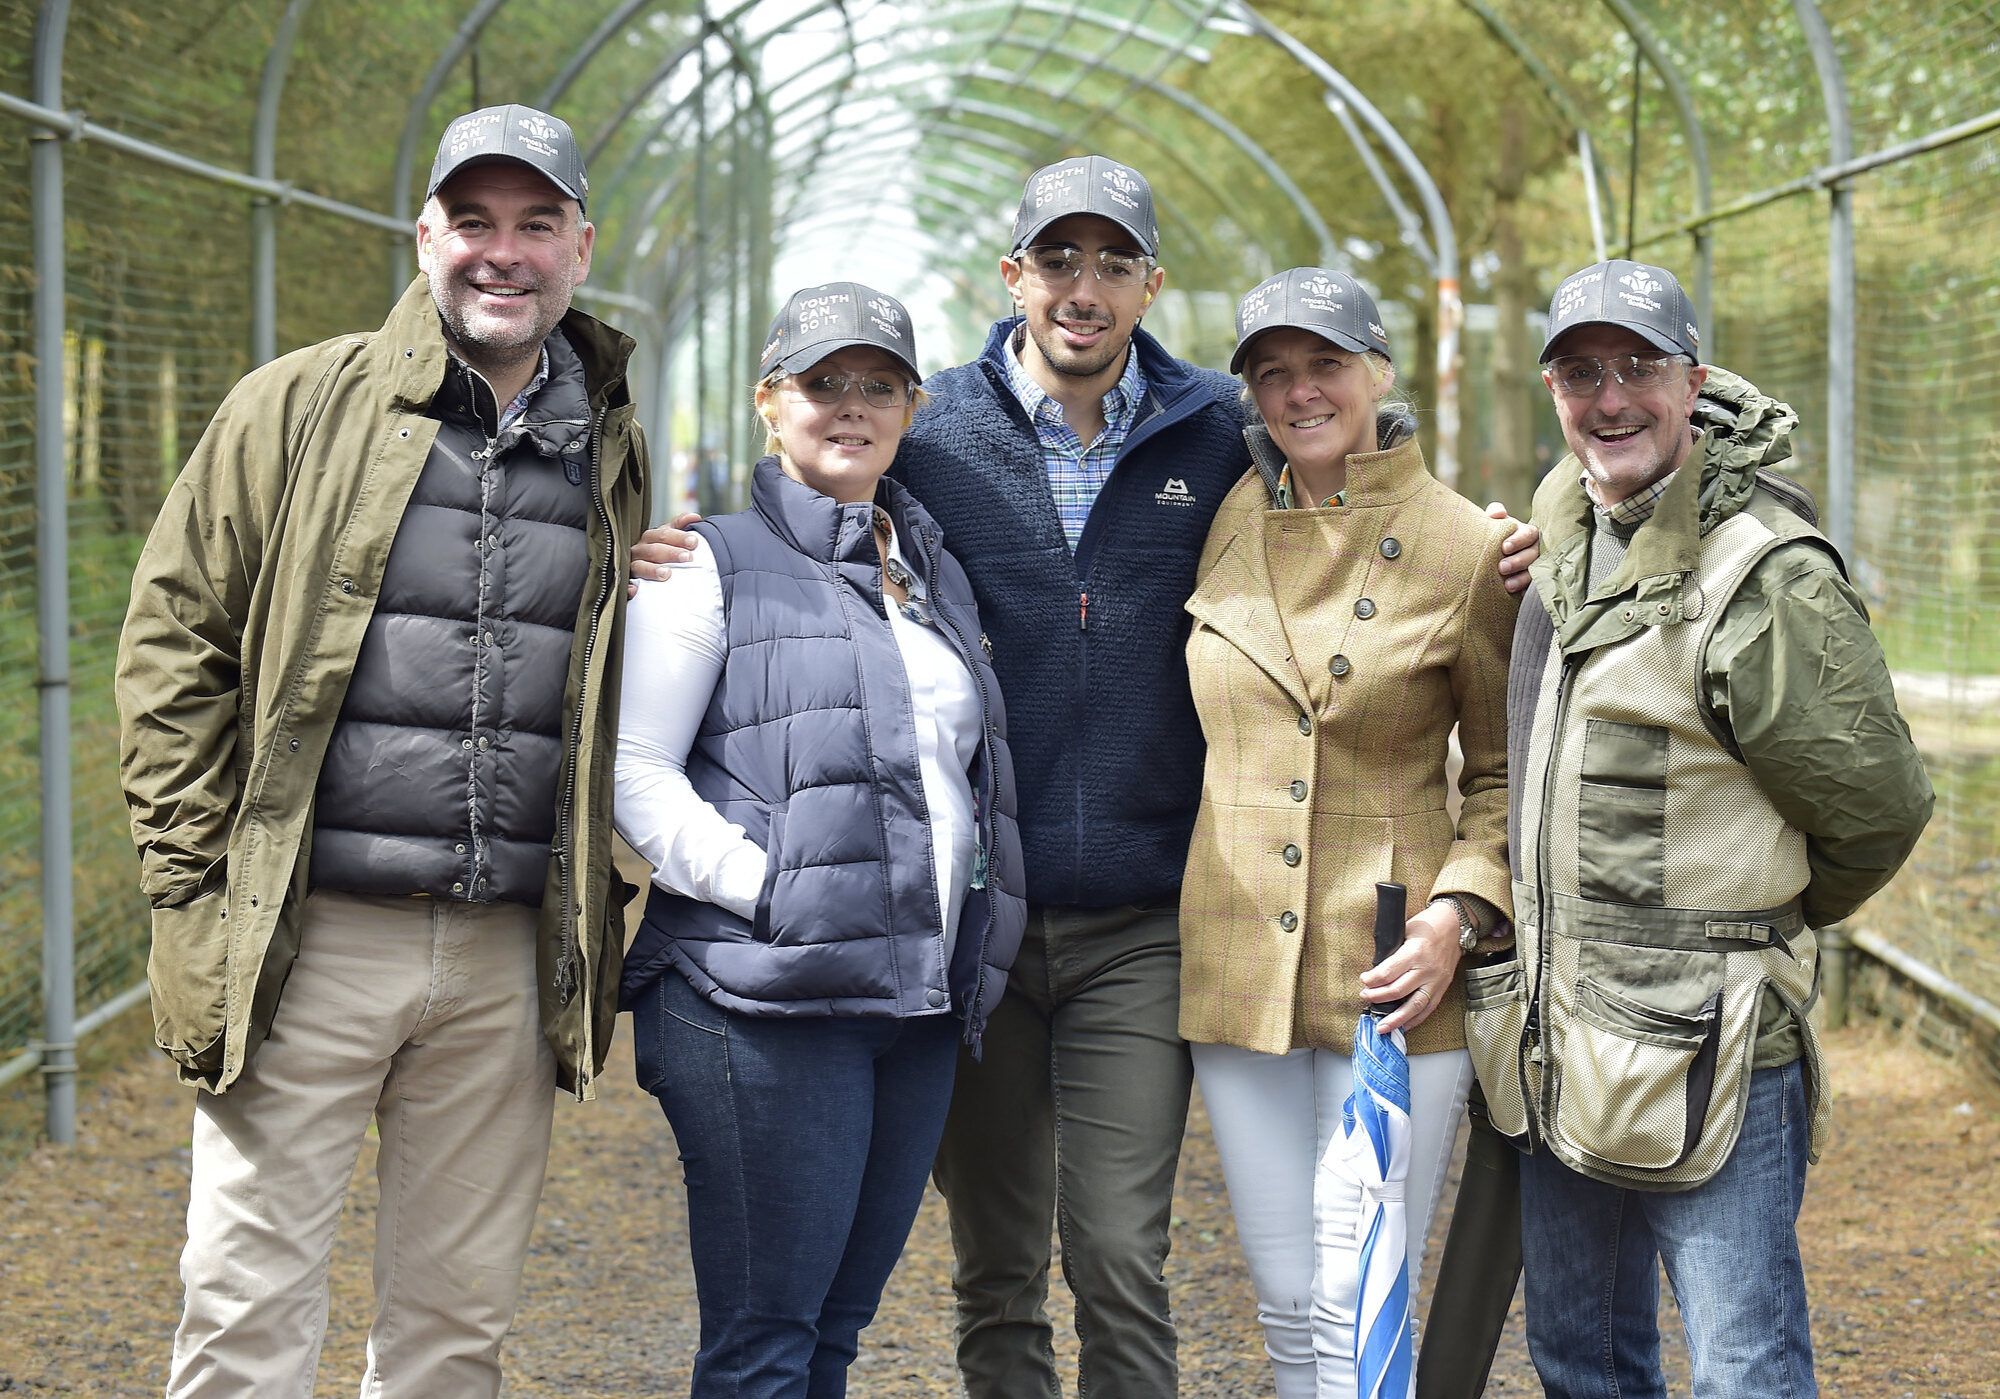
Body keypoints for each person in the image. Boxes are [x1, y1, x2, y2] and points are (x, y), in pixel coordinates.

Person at [633, 156, 1540, 1398]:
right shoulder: (927, 424)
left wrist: (1485, 535)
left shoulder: (1215, 437)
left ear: (1150, 285)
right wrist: (679, 545)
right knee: (995, 1259)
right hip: (979, 926)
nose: (1083, 286)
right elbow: (823, 503)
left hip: (1145, 916)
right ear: (1013, 277)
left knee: (1119, 1248)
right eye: (1057, 259)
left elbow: (1339, 501)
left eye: (1114, 262)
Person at [114, 105, 648, 1397]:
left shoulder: (613, 446)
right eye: (474, 222)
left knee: (455, 1331)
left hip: (503, 960)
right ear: (425, 236)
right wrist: (196, 891)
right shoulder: (297, 404)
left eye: (534, 225)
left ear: (582, 244)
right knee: (244, 1308)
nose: (501, 254)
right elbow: (176, 638)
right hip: (310, 939)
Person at [1467, 259, 1933, 1398]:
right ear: (1550, 389)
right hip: (1559, 1037)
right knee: (1578, 1355)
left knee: (1744, 1365)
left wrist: (1754, 916)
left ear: (1694, 382)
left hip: (1716, 1050)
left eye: (1638, 367)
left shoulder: (1763, 576)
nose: (1609, 398)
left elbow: (1875, 808)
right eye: (1580, 373)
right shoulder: (1561, 517)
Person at [614, 283, 1026, 1397]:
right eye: (821, 383)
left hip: (916, 1003)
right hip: (766, 1001)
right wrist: (771, 887)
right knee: (763, 1346)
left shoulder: (928, 569)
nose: (850, 407)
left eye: (877, 386)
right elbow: (634, 773)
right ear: (768, 402)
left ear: (910, 407)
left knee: (833, 1336)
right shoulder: (705, 565)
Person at [1176, 267, 1517, 1397]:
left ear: (1376, 370)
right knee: (1282, 1293)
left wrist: (1458, 917)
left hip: (1392, 972)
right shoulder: (1219, 516)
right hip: (1236, 959)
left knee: (1359, 1286)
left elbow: (1504, 775)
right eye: (1270, 372)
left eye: (1323, 363)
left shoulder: (1466, 543)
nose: (1298, 391)